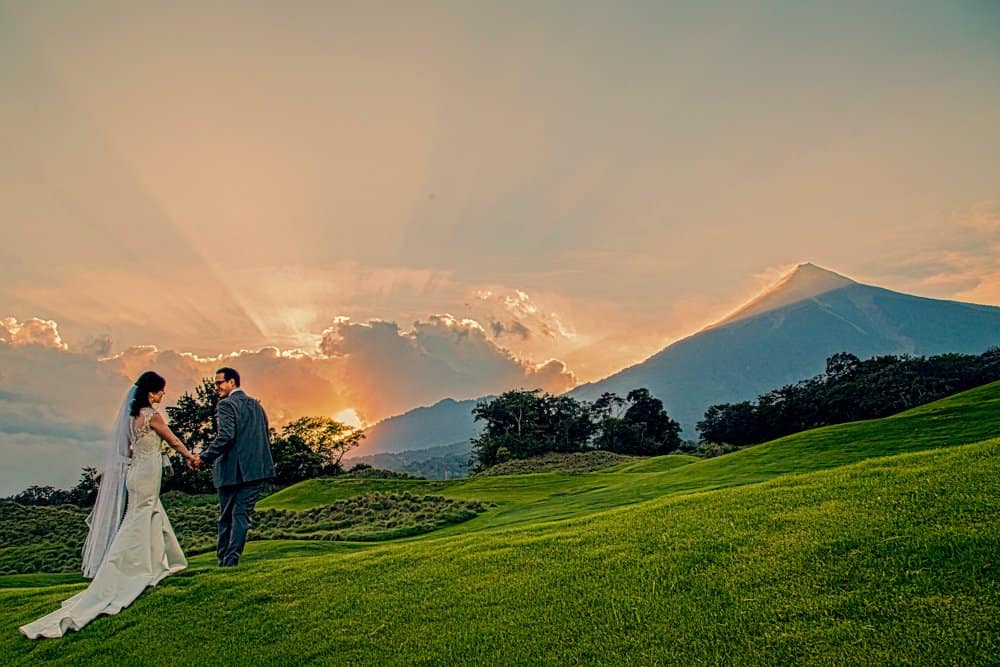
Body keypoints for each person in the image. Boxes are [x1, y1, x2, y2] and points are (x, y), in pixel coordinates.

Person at [20, 371, 198, 639]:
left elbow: (126, 450)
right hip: (148, 472)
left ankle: (156, 564)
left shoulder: (130, 420)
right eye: (161, 391)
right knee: (140, 518)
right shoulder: (153, 416)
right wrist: (188, 456)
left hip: (134, 473)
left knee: (145, 514)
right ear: (151, 392)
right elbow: (172, 439)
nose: (163, 395)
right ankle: (127, 570)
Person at [195, 367, 275, 567]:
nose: (216, 387)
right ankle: (231, 560)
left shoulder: (226, 405)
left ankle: (224, 560)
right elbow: (264, 435)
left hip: (231, 472)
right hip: (256, 471)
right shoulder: (257, 406)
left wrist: (203, 458)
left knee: (226, 518)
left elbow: (225, 437)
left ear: (232, 382)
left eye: (219, 383)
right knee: (241, 516)